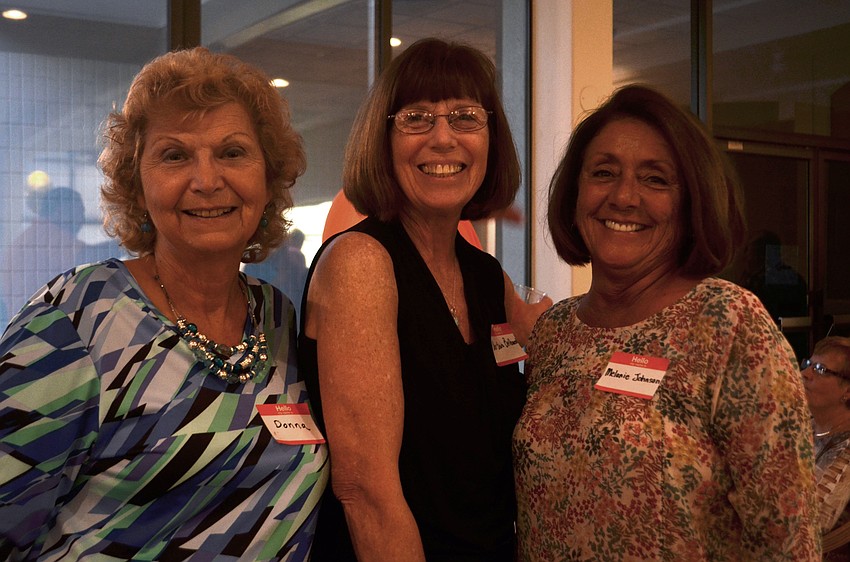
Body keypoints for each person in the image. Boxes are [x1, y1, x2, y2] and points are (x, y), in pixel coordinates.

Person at [0, 47, 328, 561]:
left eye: (232, 152)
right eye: (175, 155)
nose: (206, 180)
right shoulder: (77, 320)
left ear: (268, 177)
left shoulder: (280, 318)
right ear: (138, 183)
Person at [512, 84, 820, 560]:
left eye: (655, 179)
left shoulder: (729, 325)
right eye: (603, 172)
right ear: (574, 194)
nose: (624, 197)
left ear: (691, 202)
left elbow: (787, 538)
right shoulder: (555, 333)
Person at [300, 37, 550, 562]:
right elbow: (366, 492)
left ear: (491, 138)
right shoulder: (362, 262)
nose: (443, 139)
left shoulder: (486, 277)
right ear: (383, 139)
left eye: (464, 117)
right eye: (417, 118)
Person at [802, 336, 850, 559]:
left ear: (847, 391)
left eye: (820, 369)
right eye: (808, 364)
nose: (805, 374)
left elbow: (814, 522)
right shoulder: (804, 425)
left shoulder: (846, 449)